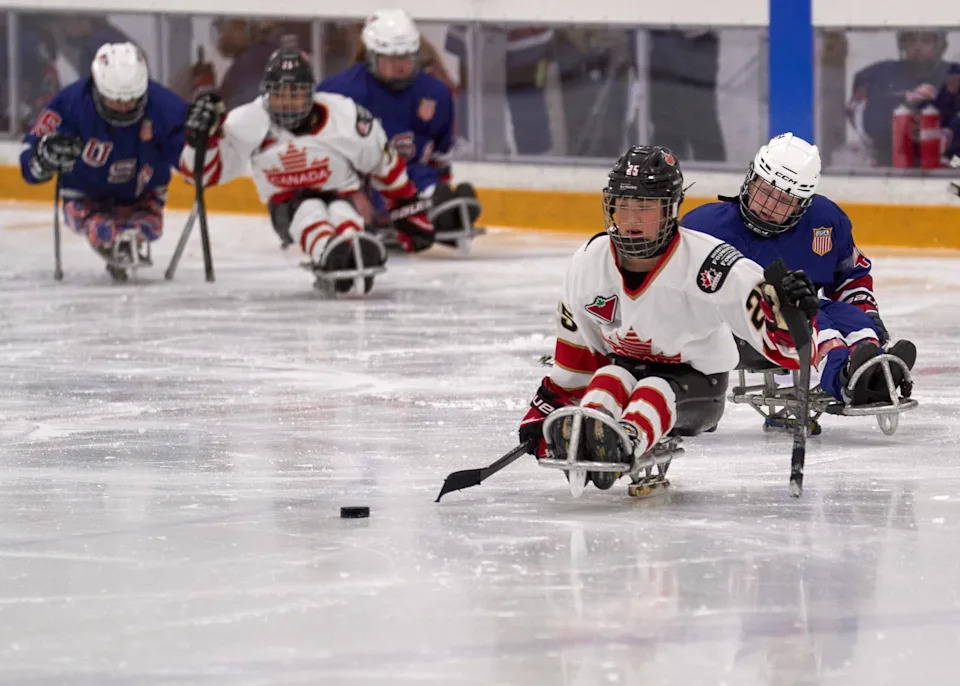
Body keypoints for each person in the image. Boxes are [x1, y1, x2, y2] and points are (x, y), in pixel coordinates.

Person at [518, 145, 819, 491]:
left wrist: (793, 312)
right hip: (625, 369)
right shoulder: (588, 262)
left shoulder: (710, 264)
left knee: (656, 387)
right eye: (624, 204)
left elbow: (790, 351)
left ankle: (625, 441)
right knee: (611, 375)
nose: (631, 219)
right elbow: (580, 361)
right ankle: (592, 430)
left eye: (645, 207)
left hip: (698, 386)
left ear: (670, 209)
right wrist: (544, 411)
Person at [681, 133, 916, 406]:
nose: (769, 206)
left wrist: (868, 313)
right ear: (750, 180)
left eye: (783, 201)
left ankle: (874, 371)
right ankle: (844, 381)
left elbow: (850, 276)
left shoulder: (826, 222)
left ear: (803, 205)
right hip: (737, 331)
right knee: (815, 320)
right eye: (765, 191)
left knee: (848, 316)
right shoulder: (704, 227)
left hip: (801, 315)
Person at [180, 44, 434, 294]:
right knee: (309, 209)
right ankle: (328, 251)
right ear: (267, 93)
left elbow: (382, 163)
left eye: (296, 94)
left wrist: (408, 208)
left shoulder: (344, 115)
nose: (288, 103)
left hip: (344, 196)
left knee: (341, 210)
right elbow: (200, 174)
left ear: (312, 93)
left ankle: (354, 245)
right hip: (286, 207)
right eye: (280, 94)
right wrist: (202, 140)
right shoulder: (250, 120)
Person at [19, 42, 188, 282]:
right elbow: (29, 161)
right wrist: (43, 158)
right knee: (98, 226)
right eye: (114, 100)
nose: (123, 107)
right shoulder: (70, 104)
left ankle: (130, 234)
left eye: (131, 100)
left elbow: (190, 153)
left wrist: (202, 140)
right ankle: (107, 232)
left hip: (144, 194)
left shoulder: (163, 104)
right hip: (82, 195)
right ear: (97, 89)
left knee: (149, 227)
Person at [318, 9, 480, 240]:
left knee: (432, 186)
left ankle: (438, 207)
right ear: (372, 57)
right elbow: (315, 154)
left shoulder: (435, 94)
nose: (402, 65)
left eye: (407, 57)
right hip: (358, 185)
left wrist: (437, 190)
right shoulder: (338, 94)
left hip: (408, 180)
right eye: (392, 58)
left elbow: (439, 159)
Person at [847, 30, 958, 166]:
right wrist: (903, 100)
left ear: (942, 46)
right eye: (911, 40)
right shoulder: (879, 75)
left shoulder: (955, 76)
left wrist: (951, 132)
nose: (918, 47)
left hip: (949, 163)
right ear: (901, 44)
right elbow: (864, 118)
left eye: (926, 41)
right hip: (891, 163)